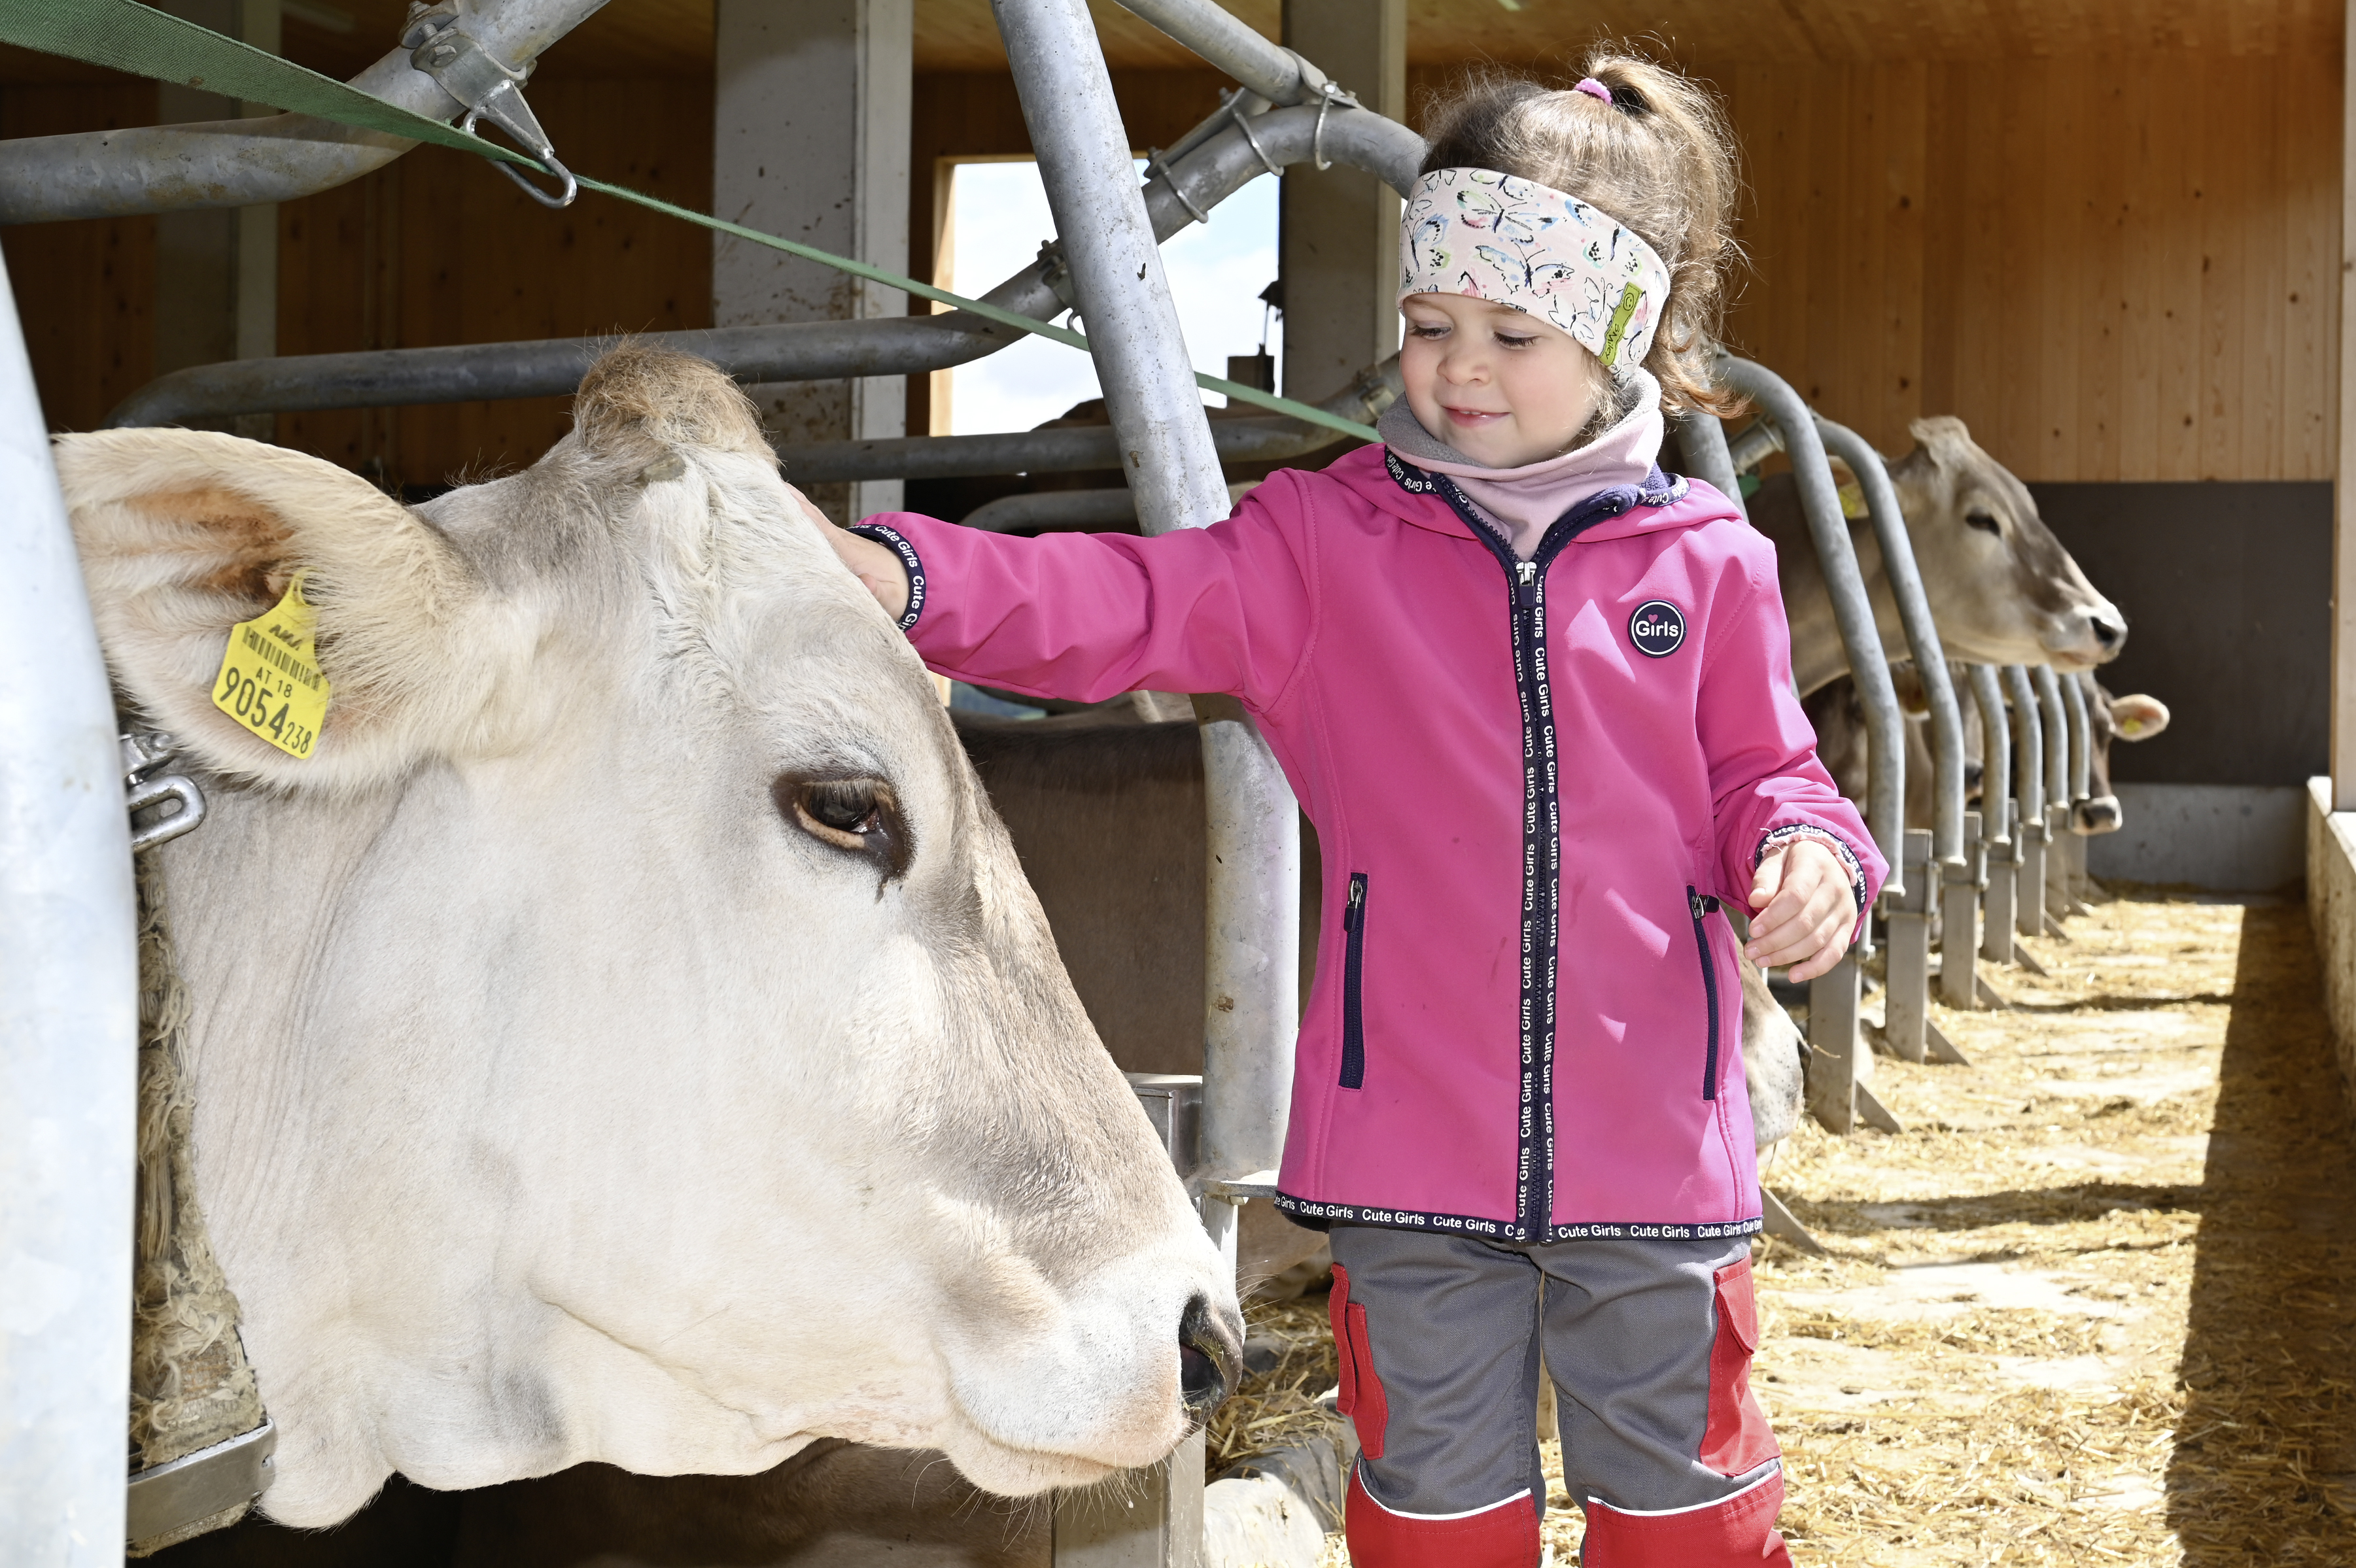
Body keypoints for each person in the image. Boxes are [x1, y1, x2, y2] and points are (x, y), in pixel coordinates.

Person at [819, 54, 1882, 1568]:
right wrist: (915, 578)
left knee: (1688, 1520)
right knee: (1436, 1518)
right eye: (1430, 322)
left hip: (1655, 1148)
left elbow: (1765, 777)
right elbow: (1119, 597)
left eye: (1513, 333)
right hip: (1408, 1164)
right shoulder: (1324, 544)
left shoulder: (1704, 561)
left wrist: (1808, 856)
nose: (1458, 366)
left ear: (1617, 334)